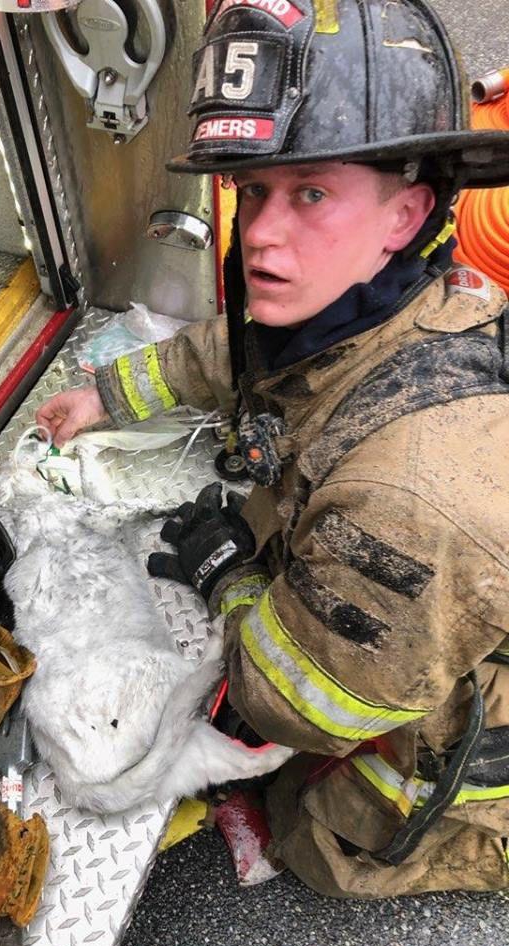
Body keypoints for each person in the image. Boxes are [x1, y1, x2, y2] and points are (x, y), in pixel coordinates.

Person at [37, 0, 509, 898]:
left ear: (406, 213)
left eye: (312, 194)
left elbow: (294, 703)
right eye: (253, 190)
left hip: (470, 711)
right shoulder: (377, 305)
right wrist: (101, 394)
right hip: (431, 573)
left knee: (317, 840)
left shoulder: (410, 499)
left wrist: (227, 576)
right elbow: (233, 353)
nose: (258, 232)